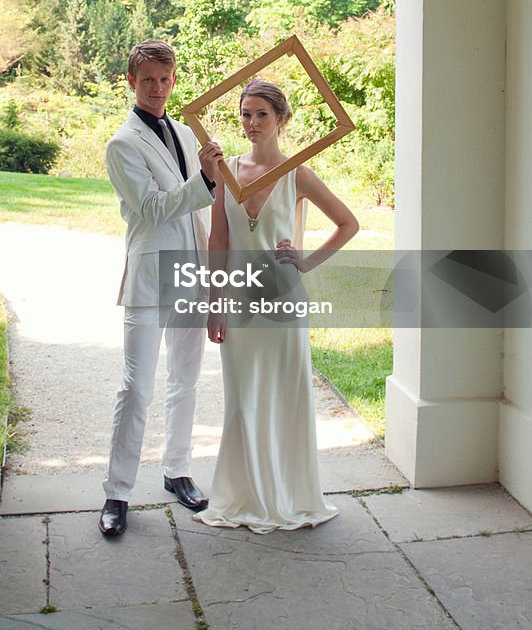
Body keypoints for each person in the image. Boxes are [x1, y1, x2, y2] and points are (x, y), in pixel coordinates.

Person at [194, 79, 359, 534]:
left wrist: (305, 262)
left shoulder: (297, 173)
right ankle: (245, 496)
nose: (251, 123)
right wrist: (214, 304)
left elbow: (348, 223)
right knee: (242, 402)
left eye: (261, 114)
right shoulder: (227, 172)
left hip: (283, 301)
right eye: (245, 114)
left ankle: (287, 497)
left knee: (285, 398)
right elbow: (219, 240)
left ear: (281, 119)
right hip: (239, 302)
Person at [99, 40, 223, 536]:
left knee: (186, 380)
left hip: (191, 273)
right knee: (136, 387)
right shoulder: (121, 144)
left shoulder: (185, 134)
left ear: (174, 81)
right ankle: (117, 493)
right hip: (149, 276)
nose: (157, 88)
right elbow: (150, 210)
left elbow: (203, 207)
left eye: (165, 80)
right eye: (148, 79)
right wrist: (206, 183)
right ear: (131, 82)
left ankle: (178, 471)